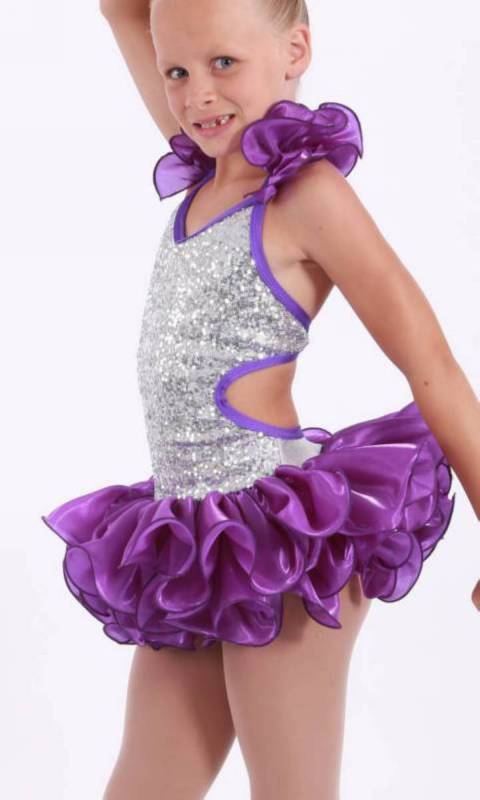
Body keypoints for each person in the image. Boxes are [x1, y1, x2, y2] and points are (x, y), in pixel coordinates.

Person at [41, 0, 480, 798]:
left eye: (223, 64)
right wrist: (183, 49)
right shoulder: (209, 164)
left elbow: (433, 366)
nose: (197, 94)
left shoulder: (307, 196)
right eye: (176, 72)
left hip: (281, 545)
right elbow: (120, 9)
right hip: (188, 541)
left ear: (295, 51)